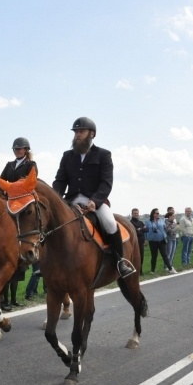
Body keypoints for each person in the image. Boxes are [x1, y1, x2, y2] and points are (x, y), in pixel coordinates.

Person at [52, 117, 134, 278]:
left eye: (81, 131)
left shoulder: (103, 155)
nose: (77, 134)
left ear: (92, 134)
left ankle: (120, 261)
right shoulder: (67, 155)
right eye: (76, 132)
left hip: (95, 201)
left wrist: (95, 202)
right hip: (72, 200)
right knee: (53, 222)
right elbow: (60, 180)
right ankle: (46, 262)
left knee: (110, 223)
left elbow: (106, 182)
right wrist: (57, 199)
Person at [0, 137, 38, 309]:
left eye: (20, 149)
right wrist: (4, 194)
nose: (17, 151)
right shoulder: (9, 165)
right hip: (11, 200)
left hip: (24, 201)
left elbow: (32, 182)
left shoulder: (31, 164)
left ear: (26, 150)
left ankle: (36, 253)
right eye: (15, 149)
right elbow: (2, 181)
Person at [144, 208, 174, 273]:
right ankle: (153, 270)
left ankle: (170, 269)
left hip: (162, 240)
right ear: (153, 214)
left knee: (164, 255)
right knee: (154, 256)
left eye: (158, 213)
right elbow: (145, 231)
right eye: (157, 213)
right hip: (153, 241)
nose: (158, 214)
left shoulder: (161, 220)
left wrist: (168, 226)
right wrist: (145, 240)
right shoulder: (148, 222)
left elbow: (165, 229)